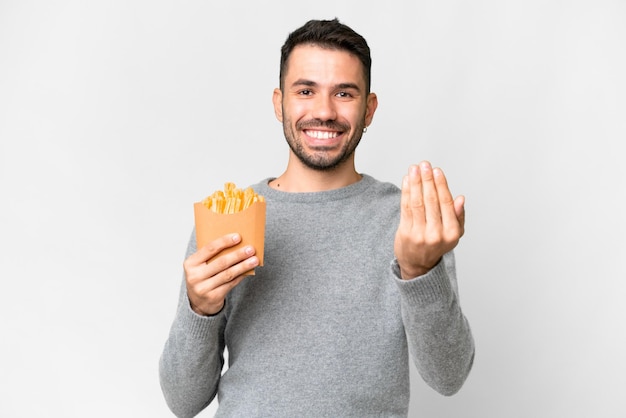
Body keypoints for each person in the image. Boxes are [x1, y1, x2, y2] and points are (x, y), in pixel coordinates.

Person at [159, 18, 474, 418]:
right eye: (305, 91)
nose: (324, 111)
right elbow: (182, 401)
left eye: (344, 93)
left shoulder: (411, 222)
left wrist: (418, 271)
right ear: (279, 103)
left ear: (369, 109)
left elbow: (449, 376)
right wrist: (200, 308)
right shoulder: (230, 215)